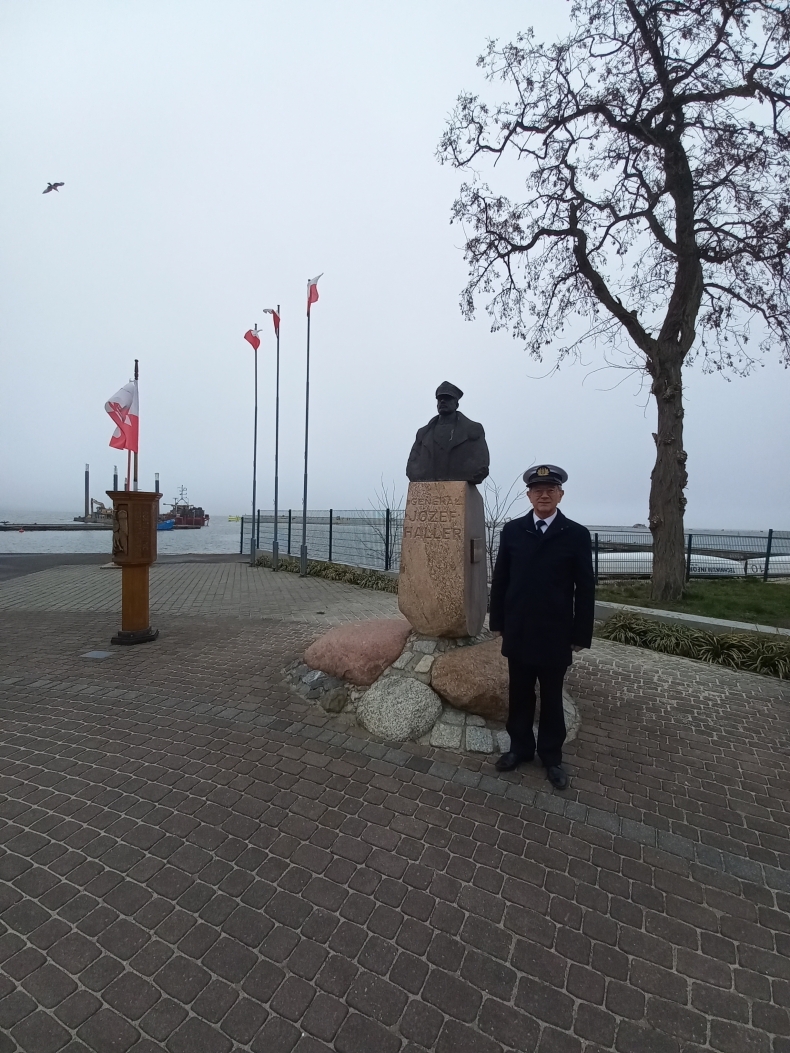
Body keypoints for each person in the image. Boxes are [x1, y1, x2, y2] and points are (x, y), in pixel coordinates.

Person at [489, 464, 595, 789]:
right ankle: (519, 749)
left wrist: (580, 634)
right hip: (519, 630)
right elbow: (502, 580)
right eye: (538, 490)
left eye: (551, 489)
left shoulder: (576, 534)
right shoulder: (513, 531)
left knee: (551, 699)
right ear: (529, 495)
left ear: (560, 494)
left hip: (555, 633)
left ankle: (551, 757)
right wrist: (497, 622)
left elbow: (586, 588)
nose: (544, 494)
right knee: (519, 695)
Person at [406, 381, 490, 485]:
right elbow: (412, 467)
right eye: (439, 399)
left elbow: (480, 465)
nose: (442, 401)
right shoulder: (423, 434)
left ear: (456, 404)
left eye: (447, 398)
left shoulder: (473, 430)